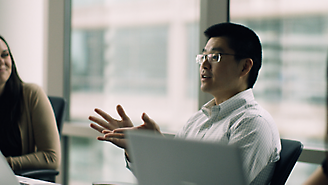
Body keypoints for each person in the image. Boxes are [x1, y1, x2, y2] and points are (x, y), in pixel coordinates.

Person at [89, 22, 281, 184]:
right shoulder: (197, 121)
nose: (204, 64)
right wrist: (142, 148)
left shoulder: (254, 124)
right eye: (203, 56)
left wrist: (161, 149)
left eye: (215, 57)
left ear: (245, 66)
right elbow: (164, 179)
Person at [0, 35, 61, 171]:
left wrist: (5, 165)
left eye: (5, 55)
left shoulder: (31, 94)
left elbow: (52, 158)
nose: (1, 62)